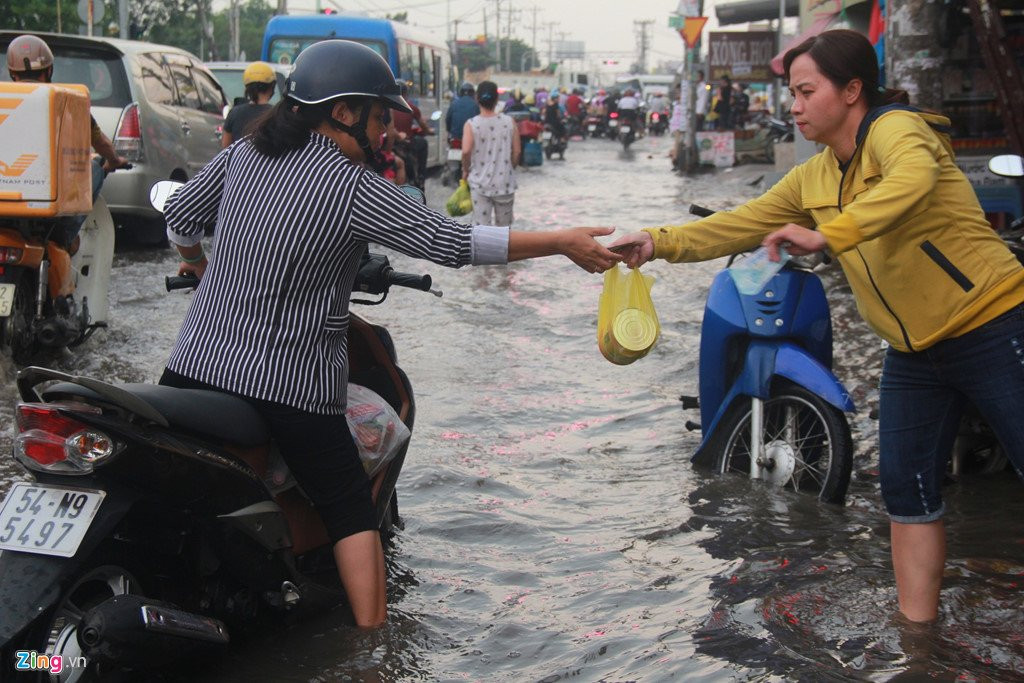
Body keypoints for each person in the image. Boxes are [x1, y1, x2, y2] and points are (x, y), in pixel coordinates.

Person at [160, 42, 619, 629]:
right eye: (381, 115)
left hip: (193, 364)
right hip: (288, 382)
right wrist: (557, 241)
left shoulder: (244, 152)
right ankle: (371, 647)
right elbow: (453, 243)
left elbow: (180, 218)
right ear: (343, 112)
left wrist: (197, 264)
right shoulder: (350, 186)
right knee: (349, 506)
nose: (385, 130)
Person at [607, 29, 1024, 625]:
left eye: (806, 91)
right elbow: (740, 223)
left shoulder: (897, 131)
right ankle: (918, 639)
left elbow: (913, 183)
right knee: (907, 499)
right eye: (792, 93)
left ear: (853, 90)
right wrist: (656, 241)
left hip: (991, 322)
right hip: (912, 352)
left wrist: (831, 233)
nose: (794, 106)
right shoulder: (816, 175)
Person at [6, 33, 129, 251]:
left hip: (5, 203)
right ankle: (64, 240)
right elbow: (101, 144)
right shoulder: (68, 100)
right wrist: (114, 160)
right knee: (92, 169)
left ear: (11, 72)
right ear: (49, 70)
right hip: (48, 207)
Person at [461, 81, 521, 227]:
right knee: (505, 231)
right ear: (496, 100)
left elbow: (466, 151)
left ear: (477, 98)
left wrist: (465, 170)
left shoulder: (471, 124)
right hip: (504, 184)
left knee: (481, 230)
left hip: (479, 184)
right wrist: (509, 166)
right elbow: (517, 151)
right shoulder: (509, 122)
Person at [222, 61, 276, 148]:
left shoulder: (235, 113)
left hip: (239, 161)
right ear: (272, 87)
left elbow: (225, 146)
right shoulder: (276, 114)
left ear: (247, 88)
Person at [390, 82, 434, 187]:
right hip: (405, 144)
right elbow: (423, 126)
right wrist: (429, 131)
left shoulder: (386, 108)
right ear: (405, 94)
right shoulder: (411, 108)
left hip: (390, 146)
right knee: (423, 143)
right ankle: (421, 177)